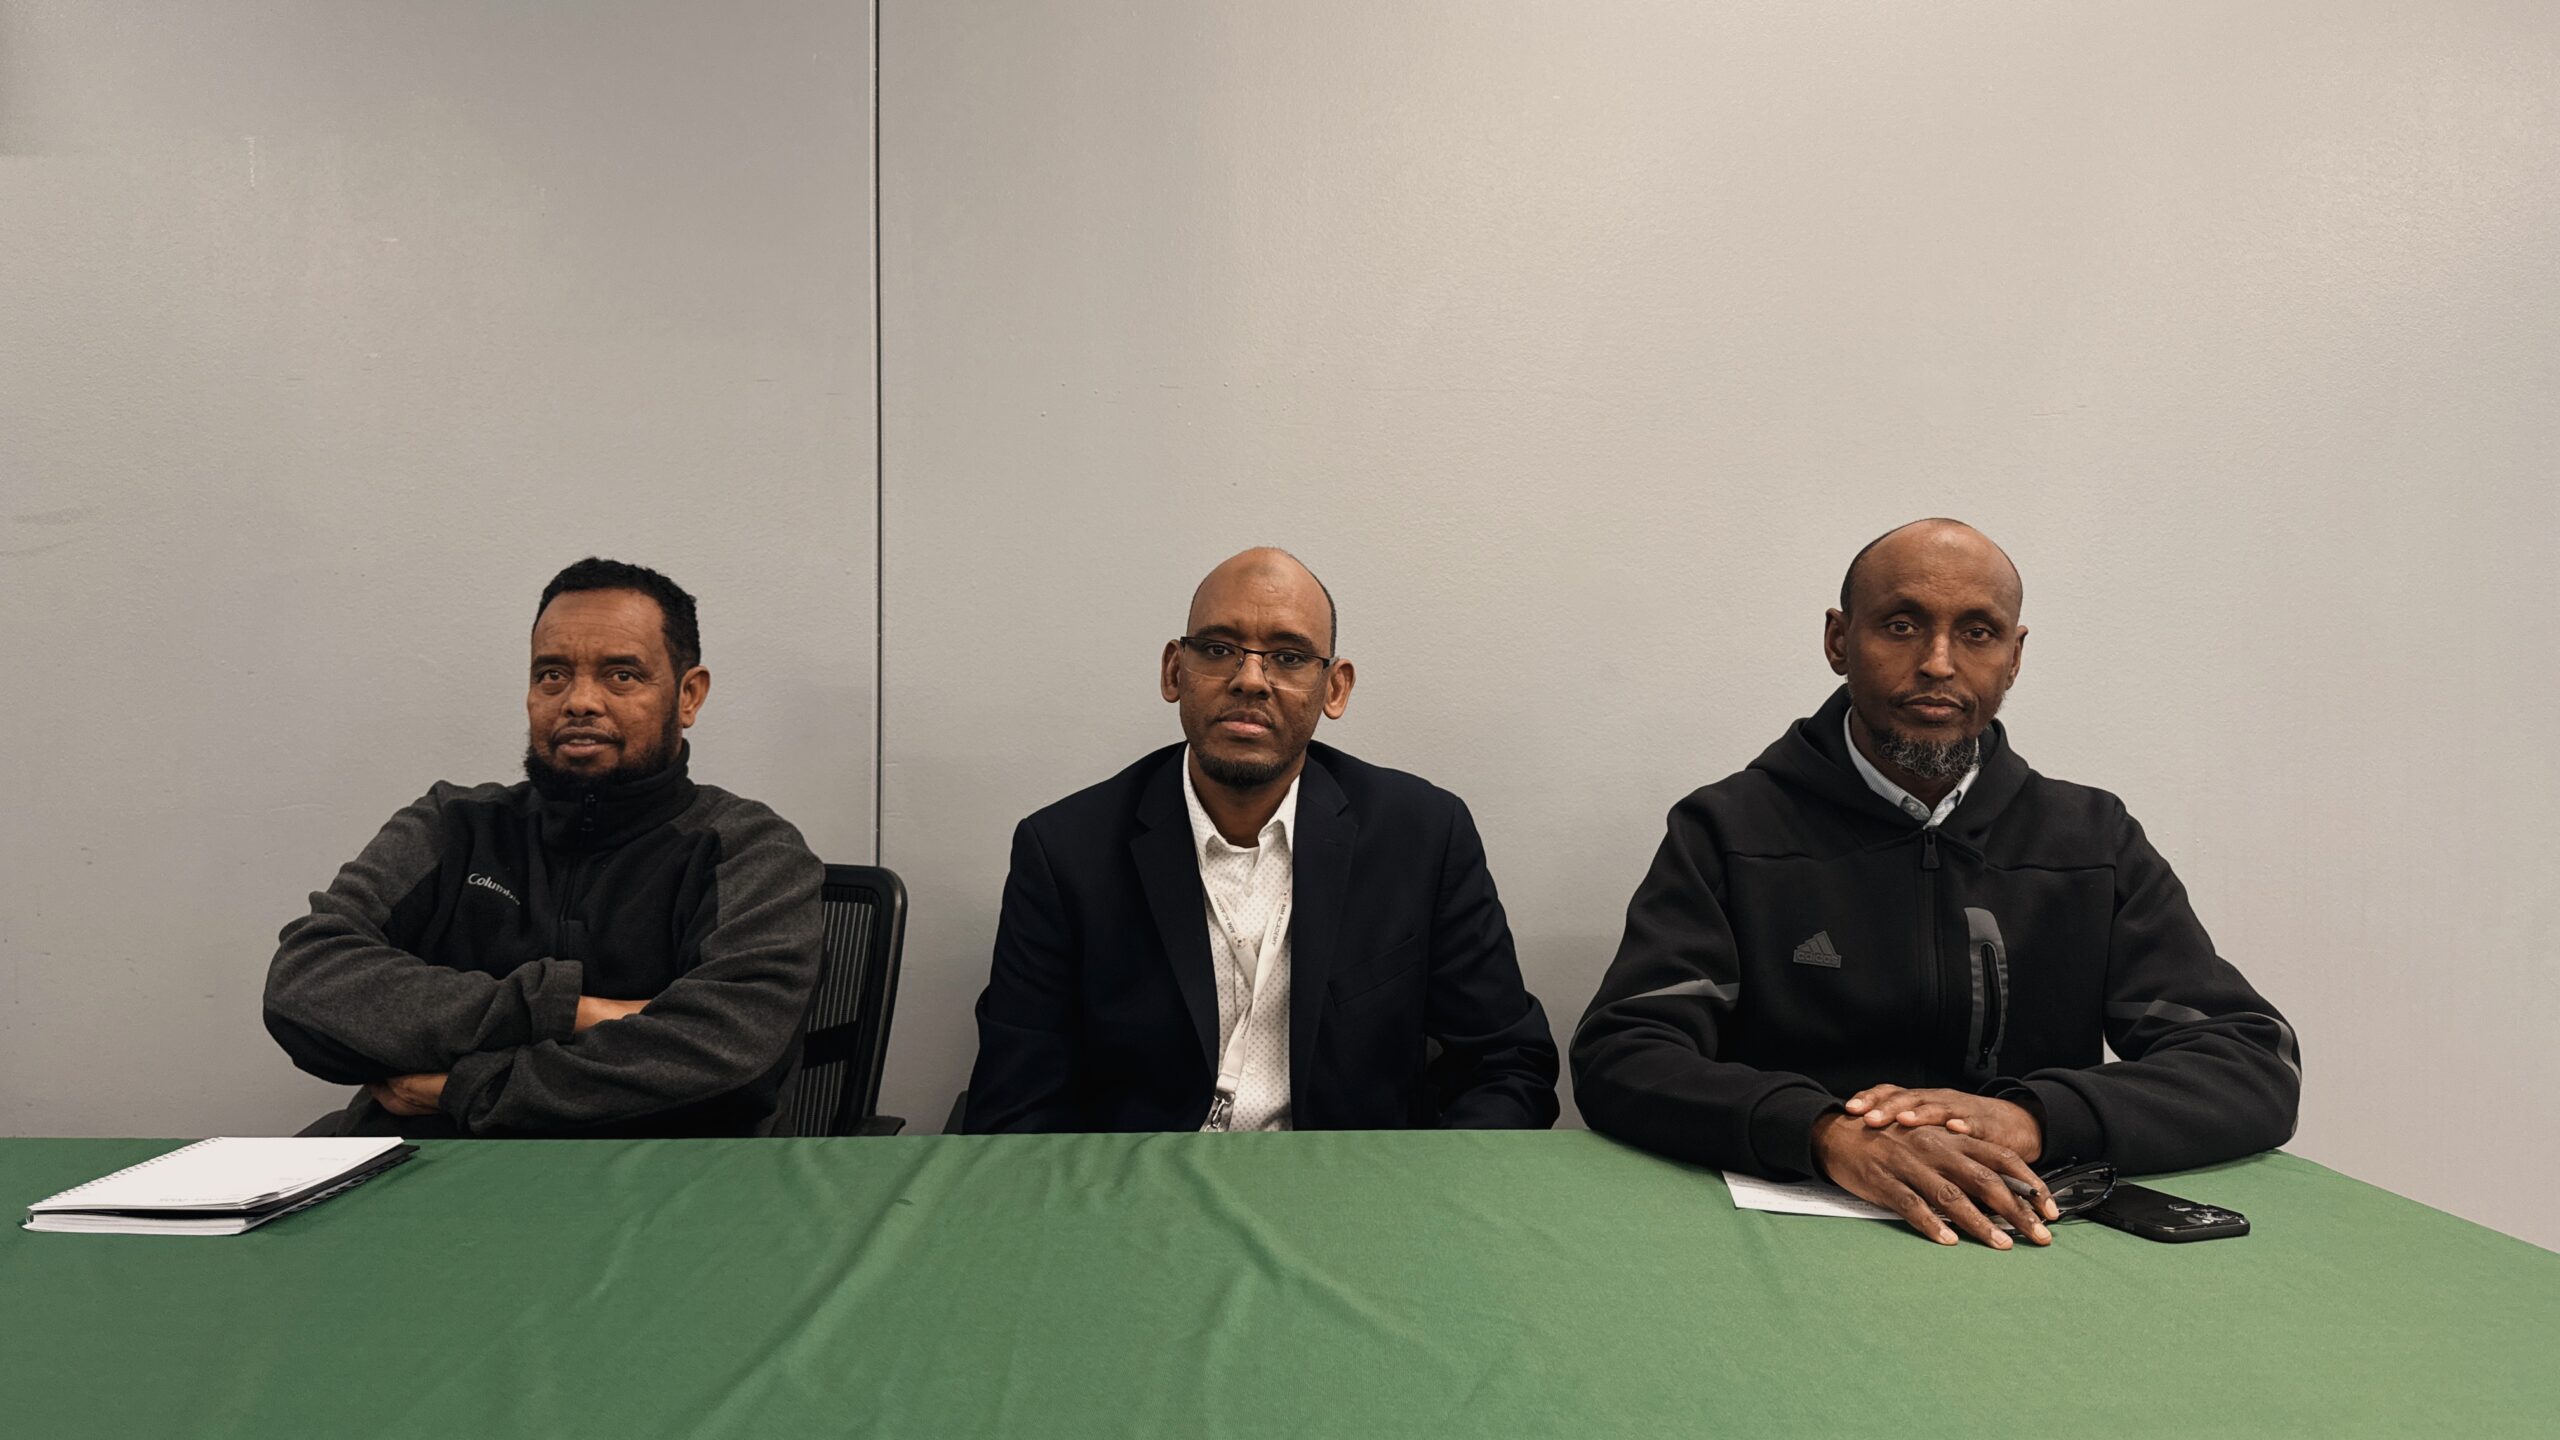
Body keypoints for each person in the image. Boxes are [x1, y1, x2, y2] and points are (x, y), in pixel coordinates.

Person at [1572, 519, 2299, 1247]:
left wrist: (2029, 1119)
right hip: (1784, 1238)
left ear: (2014, 658)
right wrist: (1823, 1133)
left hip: (2033, 1241)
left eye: (1978, 633)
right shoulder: (1728, 830)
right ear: (1838, 641)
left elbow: (2251, 1061)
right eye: (1901, 625)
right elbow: (1623, 1053)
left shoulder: (2090, 840)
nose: (1938, 664)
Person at [965, 547, 1559, 1133]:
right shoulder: (1066, 851)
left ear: (1335, 689)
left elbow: (1507, 1066)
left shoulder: (1422, 836)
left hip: (1352, 1183)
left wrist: (1424, 1190)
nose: (1250, 679)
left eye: (1289, 657)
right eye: (1218, 649)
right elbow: (1016, 1106)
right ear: (1174, 671)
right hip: (1142, 1185)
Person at [264, 558, 824, 1137]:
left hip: (653, 1179)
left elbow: (728, 1054)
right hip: (418, 1166)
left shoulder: (749, 850)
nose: (579, 701)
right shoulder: (451, 823)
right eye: (552, 674)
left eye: (621, 675)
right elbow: (305, 984)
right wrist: (566, 1009)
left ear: (688, 696)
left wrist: (464, 1088)